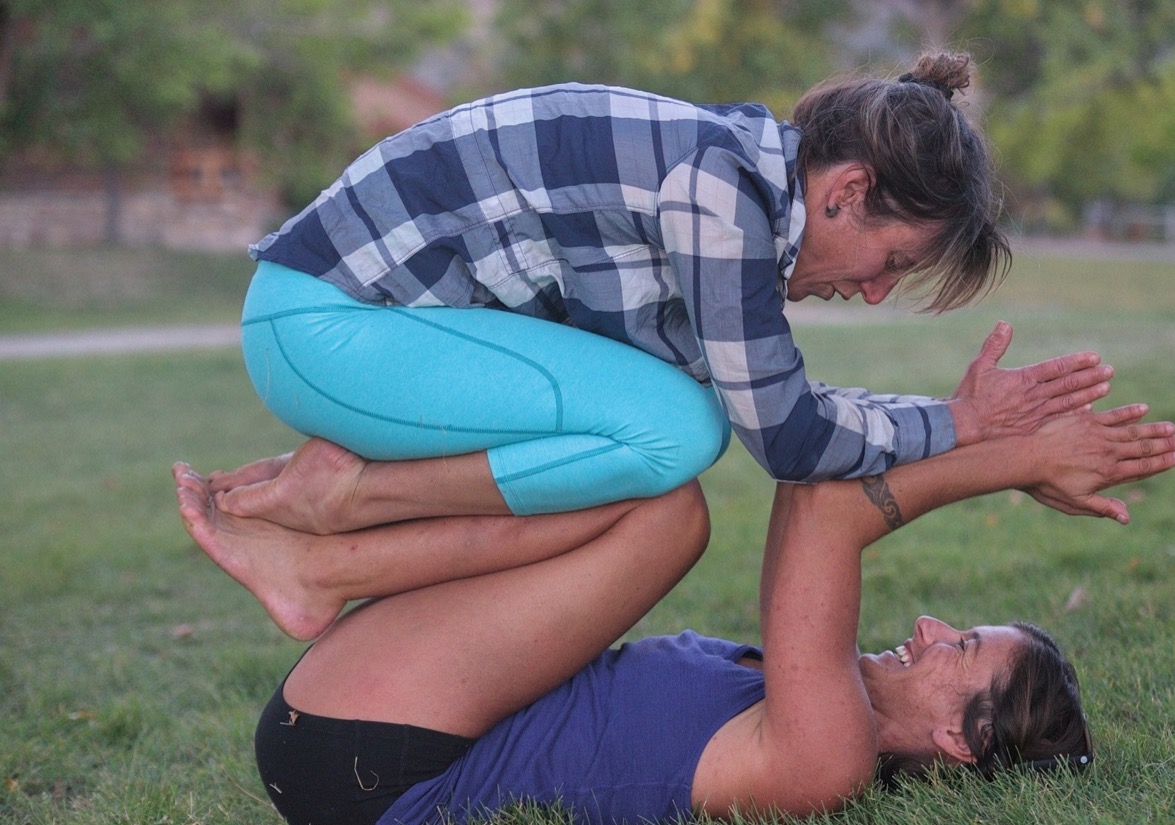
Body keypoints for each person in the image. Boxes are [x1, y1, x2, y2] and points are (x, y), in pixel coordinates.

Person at [173, 400, 1175, 825]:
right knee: (645, 484)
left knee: (668, 515)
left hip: (369, 767)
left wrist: (1015, 457)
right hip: (382, 723)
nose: (927, 624)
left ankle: (325, 559)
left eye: (959, 647)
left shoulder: (828, 756)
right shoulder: (816, 690)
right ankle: (328, 547)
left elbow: (822, 505)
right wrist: (965, 423)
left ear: (962, 741)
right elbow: (816, 491)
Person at [215, 50, 1116, 531]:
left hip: (345, 330)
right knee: (674, 430)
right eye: (892, 261)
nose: (876, 293)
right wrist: (959, 424)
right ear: (846, 192)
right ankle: (340, 508)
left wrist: (956, 421)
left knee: (659, 431)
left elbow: (775, 396)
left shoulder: (727, 177)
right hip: (328, 327)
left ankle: (339, 525)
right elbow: (790, 437)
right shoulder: (718, 194)